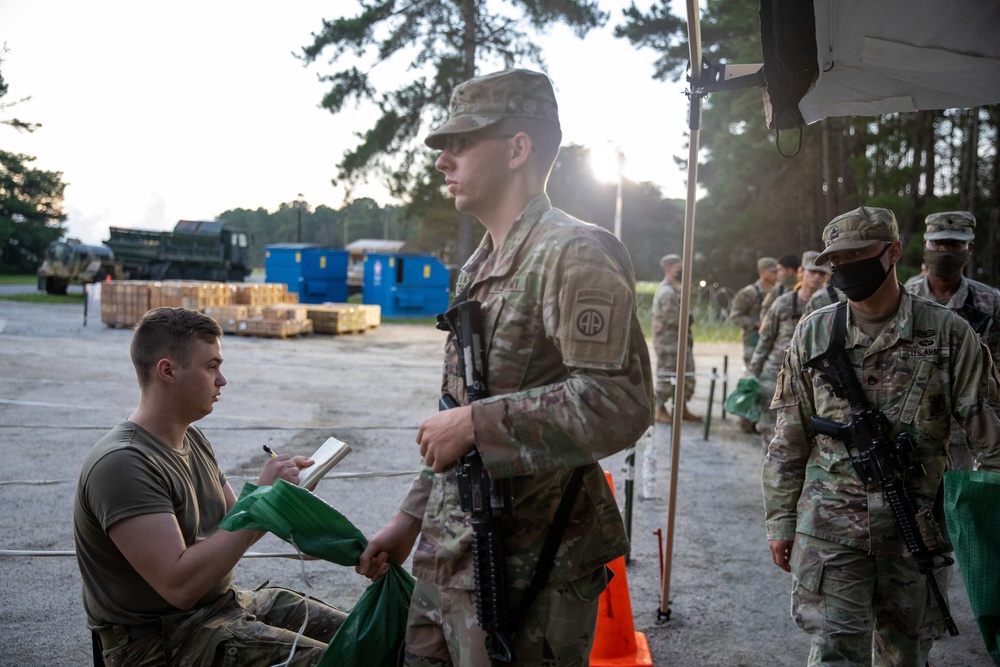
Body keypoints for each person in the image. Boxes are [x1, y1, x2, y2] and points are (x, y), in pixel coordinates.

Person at [356, 68, 654, 666]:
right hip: (451, 559)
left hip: (531, 573)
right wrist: (410, 519)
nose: (443, 160)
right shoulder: (479, 267)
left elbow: (618, 403)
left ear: (519, 148)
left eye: (460, 143)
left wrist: (477, 425)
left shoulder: (575, 254)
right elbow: (455, 413)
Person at [761, 206, 1000, 665]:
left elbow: (990, 440)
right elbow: (788, 438)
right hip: (831, 530)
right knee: (833, 654)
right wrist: (780, 521)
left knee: (903, 656)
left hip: (915, 533)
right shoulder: (813, 334)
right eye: (838, 260)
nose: (846, 268)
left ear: (893, 252)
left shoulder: (949, 334)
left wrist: (984, 529)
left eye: (858, 255)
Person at [74, 307, 348, 666]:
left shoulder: (192, 438)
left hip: (219, 608)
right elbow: (180, 587)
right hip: (159, 640)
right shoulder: (123, 463)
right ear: (167, 371)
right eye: (211, 367)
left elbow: (234, 525)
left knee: (365, 634)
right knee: (340, 661)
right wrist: (262, 500)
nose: (222, 380)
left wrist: (280, 498)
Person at [904, 211, 1000, 470]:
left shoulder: (990, 303)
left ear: (969, 248)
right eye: (938, 243)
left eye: (955, 244)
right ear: (926, 245)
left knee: (966, 506)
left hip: (969, 433)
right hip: (912, 429)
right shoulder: (904, 299)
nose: (945, 251)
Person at [747, 251, 828, 450]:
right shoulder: (782, 303)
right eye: (812, 271)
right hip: (776, 377)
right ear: (801, 272)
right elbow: (765, 341)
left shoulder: (831, 306)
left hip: (812, 381)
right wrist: (752, 373)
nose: (817, 276)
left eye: (822, 273)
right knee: (772, 437)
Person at [729, 256, 779, 432]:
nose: (776, 274)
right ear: (762, 272)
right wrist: (755, 323)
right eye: (773, 271)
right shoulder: (748, 293)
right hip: (753, 342)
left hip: (770, 342)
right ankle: (745, 419)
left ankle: (761, 418)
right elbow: (735, 315)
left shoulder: (778, 292)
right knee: (752, 380)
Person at [652, 253, 701, 424]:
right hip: (668, 342)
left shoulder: (674, 289)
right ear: (668, 269)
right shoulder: (666, 292)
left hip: (679, 341)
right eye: (678, 270)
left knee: (686, 375)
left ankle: (682, 408)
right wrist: (688, 318)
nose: (681, 272)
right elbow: (672, 318)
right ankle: (660, 409)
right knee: (667, 376)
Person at [759, 253, 802, 322]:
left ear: (790, 271)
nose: (777, 273)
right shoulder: (778, 289)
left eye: (780, 270)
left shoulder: (805, 287)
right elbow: (765, 310)